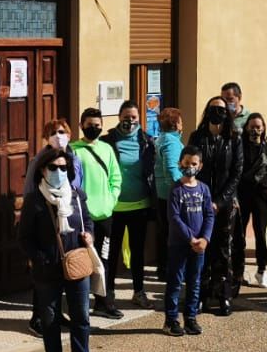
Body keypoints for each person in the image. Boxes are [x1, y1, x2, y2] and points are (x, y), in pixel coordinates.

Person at [18, 148, 104, 352]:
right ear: (43, 170)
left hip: (76, 263)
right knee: (51, 319)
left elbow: (87, 221)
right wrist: (41, 258)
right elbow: (24, 238)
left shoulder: (76, 195)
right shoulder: (35, 200)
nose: (58, 172)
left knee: (81, 317)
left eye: (63, 168)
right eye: (53, 167)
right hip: (48, 269)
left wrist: (89, 236)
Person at [99, 101, 156, 311]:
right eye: (126, 116)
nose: (129, 121)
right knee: (111, 252)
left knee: (138, 252)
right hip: (114, 207)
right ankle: (109, 293)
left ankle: (139, 291)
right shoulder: (107, 141)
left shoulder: (148, 142)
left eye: (133, 117)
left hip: (139, 205)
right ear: (119, 117)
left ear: (139, 118)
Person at [191, 99, 243, 315]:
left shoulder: (234, 138)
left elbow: (236, 172)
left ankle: (224, 295)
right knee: (202, 248)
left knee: (223, 249)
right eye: (214, 109)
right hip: (200, 201)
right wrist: (203, 198)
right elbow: (191, 165)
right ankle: (201, 294)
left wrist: (220, 201)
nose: (217, 113)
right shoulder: (197, 137)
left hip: (224, 204)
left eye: (221, 110)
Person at [73, 107, 123, 319]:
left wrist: (110, 200)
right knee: (81, 261)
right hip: (84, 218)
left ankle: (103, 302)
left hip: (105, 216)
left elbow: (116, 178)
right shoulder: (73, 150)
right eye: (89, 125)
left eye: (97, 125)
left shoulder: (107, 149)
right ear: (81, 126)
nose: (93, 128)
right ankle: (79, 303)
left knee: (105, 259)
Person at [164, 146, 214, 336]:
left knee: (195, 282)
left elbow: (209, 215)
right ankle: (171, 320)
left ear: (200, 166)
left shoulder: (204, 189)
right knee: (175, 282)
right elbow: (174, 218)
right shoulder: (176, 190)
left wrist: (205, 239)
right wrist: (191, 238)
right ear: (180, 164)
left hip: (199, 246)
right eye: (187, 164)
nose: (190, 167)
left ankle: (191, 318)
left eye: (194, 164)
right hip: (179, 244)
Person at [235, 113, 267, 289]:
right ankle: (238, 271)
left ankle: (262, 270)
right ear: (246, 128)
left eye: (259, 127)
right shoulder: (240, 147)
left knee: (260, 234)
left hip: (261, 196)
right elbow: (235, 172)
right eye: (252, 127)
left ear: (264, 128)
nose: (255, 130)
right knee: (239, 235)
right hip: (242, 195)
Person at [151, 107, 186, 201]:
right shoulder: (171, 142)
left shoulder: (162, 138)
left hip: (162, 192)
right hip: (171, 194)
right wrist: (185, 189)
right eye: (181, 121)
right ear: (176, 124)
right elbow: (171, 170)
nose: (182, 124)